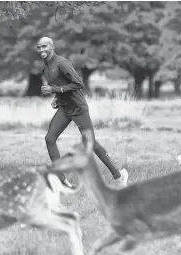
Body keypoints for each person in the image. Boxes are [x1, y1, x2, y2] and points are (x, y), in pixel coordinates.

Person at [37, 36, 128, 188]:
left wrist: (55, 90)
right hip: (65, 108)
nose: (41, 50)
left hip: (78, 108)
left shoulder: (62, 63)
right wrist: (57, 98)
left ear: (52, 46)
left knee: (91, 144)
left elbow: (78, 84)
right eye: (39, 47)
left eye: (44, 46)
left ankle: (119, 175)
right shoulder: (45, 68)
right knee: (49, 139)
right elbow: (62, 86)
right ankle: (62, 180)